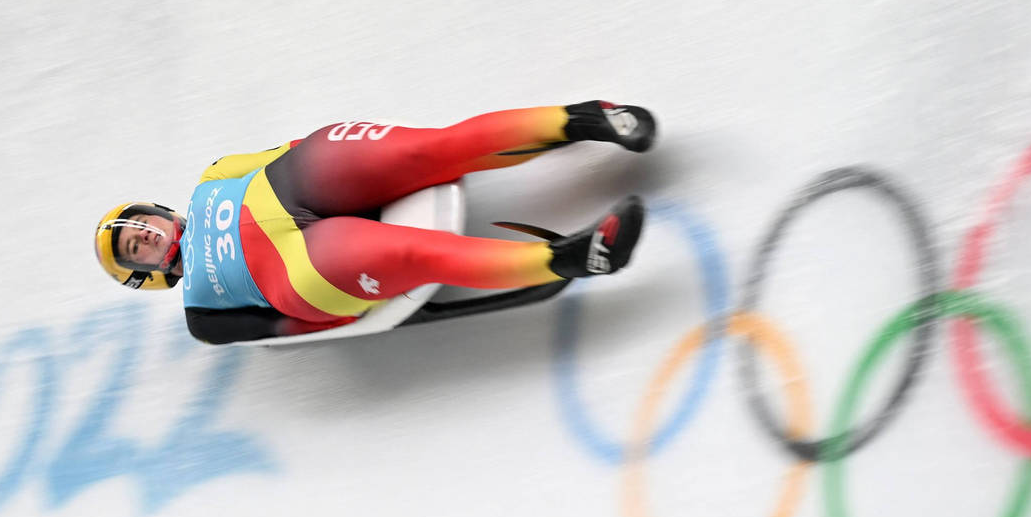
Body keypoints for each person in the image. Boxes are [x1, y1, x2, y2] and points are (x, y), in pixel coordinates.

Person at [93, 101, 655, 344]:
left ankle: (590, 119)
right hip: (297, 271)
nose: (142, 236)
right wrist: (351, 313)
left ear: (156, 213)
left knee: (437, 149)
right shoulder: (201, 316)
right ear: (148, 273)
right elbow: (283, 333)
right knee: (417, 252)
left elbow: (281, 151)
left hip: (299, 177)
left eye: (135, 225)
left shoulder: (214, 174)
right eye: (134, 251)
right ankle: (571, 258)